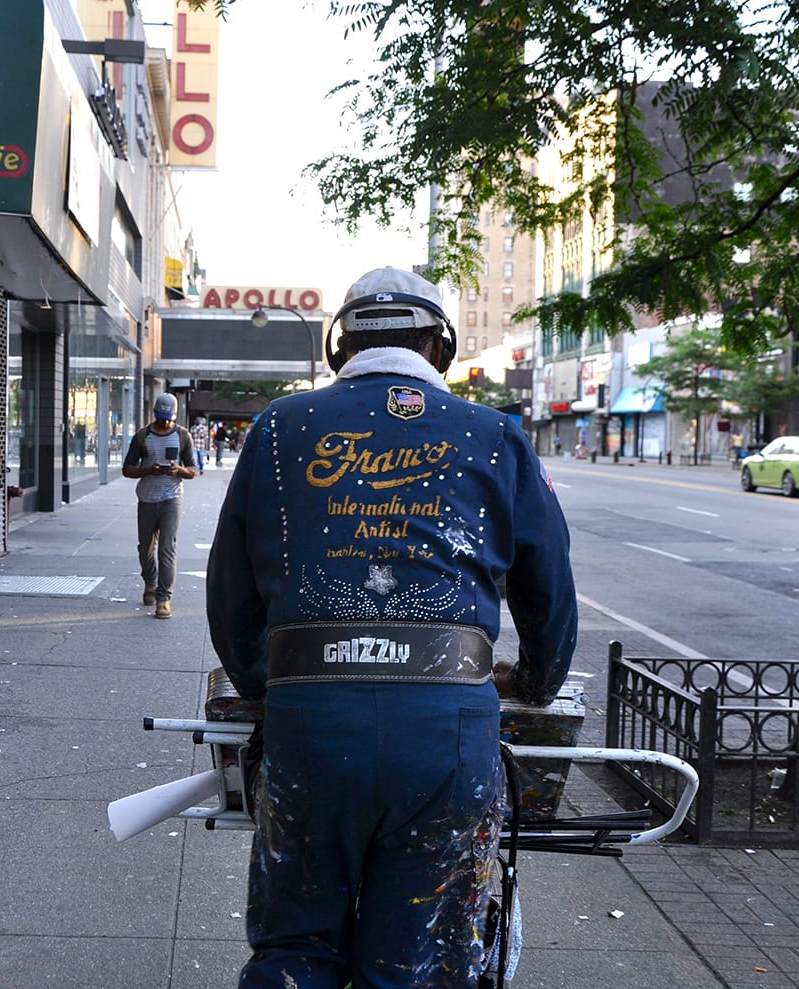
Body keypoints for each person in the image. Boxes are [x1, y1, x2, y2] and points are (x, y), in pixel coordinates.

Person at [206, 266, 578, 988]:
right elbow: (550, 591)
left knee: (296, 947)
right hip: (446, 733)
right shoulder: (496, 435)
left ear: (339, 347)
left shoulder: (280, 429)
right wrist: (535, 681)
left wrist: (260, 684)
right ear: (441, 348)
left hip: (310, 726)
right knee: (419, 961)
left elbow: (231, 596)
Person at [122, 394, 196, 619]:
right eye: (162, 418)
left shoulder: (183, 436)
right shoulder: (142, 436)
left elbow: (192, 470)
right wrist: (148, 470)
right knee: (145, 548)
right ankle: (150, 583)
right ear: (155, 414)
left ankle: (164, 598)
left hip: (172, 497)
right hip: (147, 498)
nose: (166, 422)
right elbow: (127, 469)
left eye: (169, 419)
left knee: (167, 547)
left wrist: (179, 470)